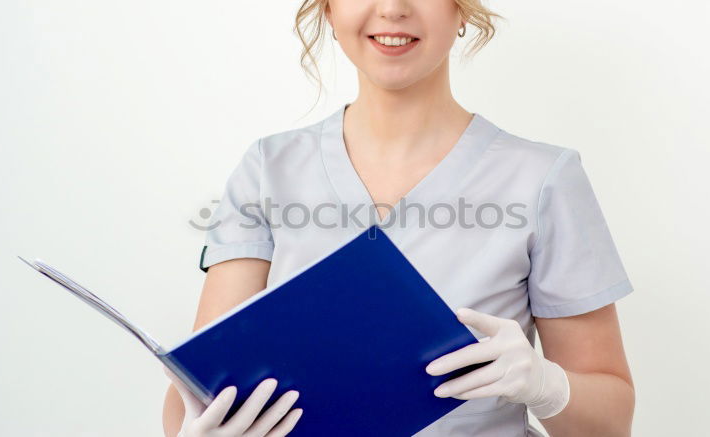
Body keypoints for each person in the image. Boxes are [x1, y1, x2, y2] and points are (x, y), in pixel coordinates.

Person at [162, 1, 636, 436]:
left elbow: (611, 424)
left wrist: (547, 386)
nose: (391, 8)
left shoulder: (542, 179)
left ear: (462, 9)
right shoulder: (268, 168)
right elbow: (195, 389)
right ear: (328, 9)